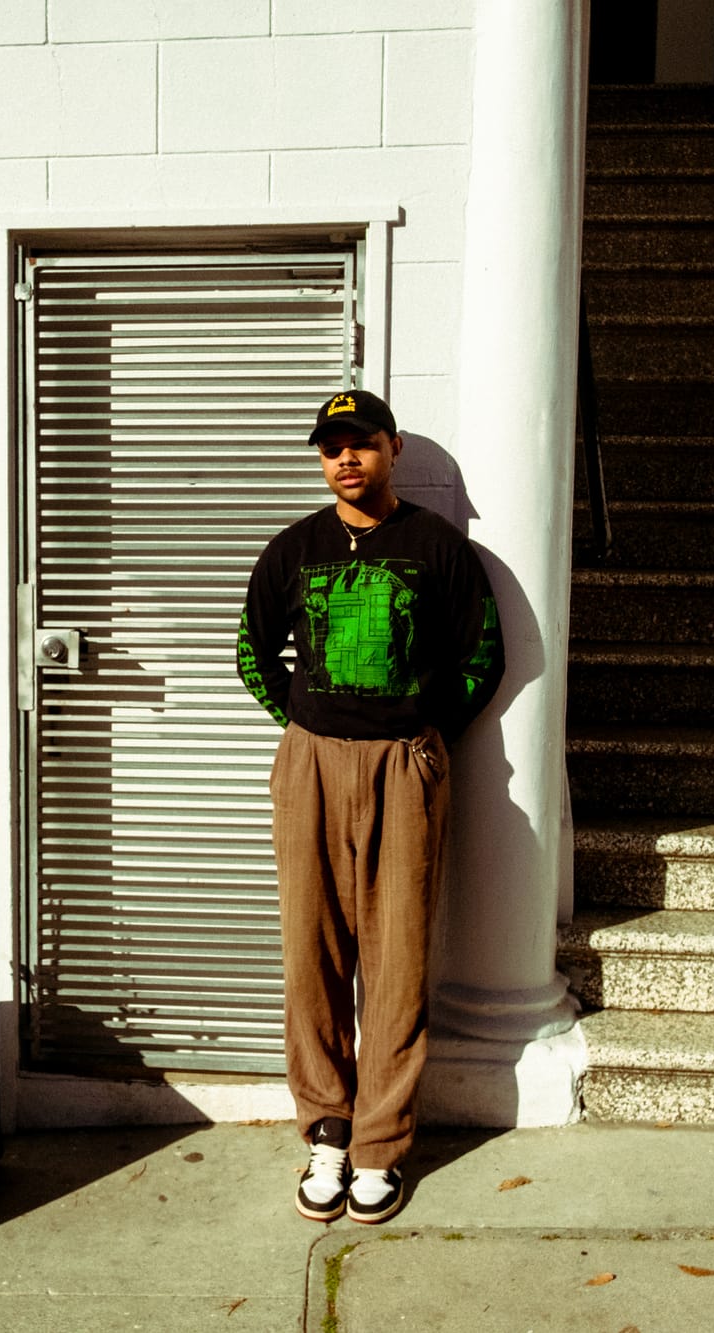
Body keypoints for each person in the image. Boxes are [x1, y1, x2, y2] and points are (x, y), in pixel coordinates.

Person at [235, 389, 503, 1224]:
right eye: (331, 446)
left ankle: (380, 1146)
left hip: (404, 766)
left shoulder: (438, 548)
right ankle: (327, 1126)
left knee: (397, 958)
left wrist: (424, 732)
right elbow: (251, 650)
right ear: (321, 459)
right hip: (312, 763)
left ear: (391, 450)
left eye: (360, 443)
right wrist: (310, 724)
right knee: (311, 948)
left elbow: (484, 654)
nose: (345, 457)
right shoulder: (293, 549)